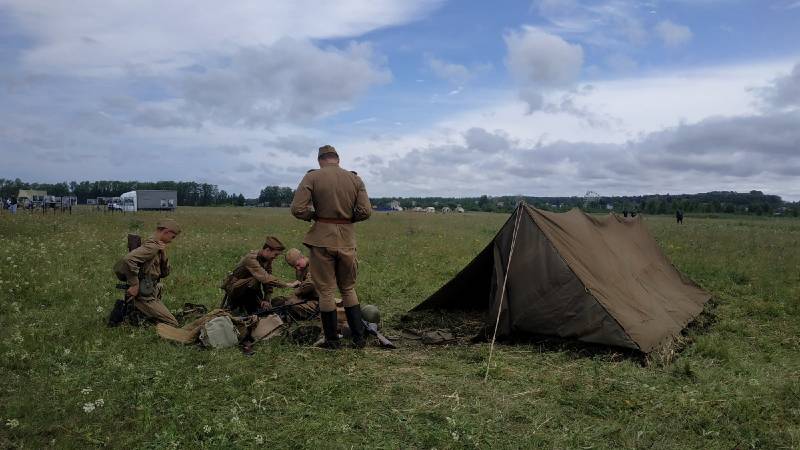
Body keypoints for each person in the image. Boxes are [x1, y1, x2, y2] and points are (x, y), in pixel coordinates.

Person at [290, 144, 372, 348]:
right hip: (347, 240)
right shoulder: (355, 179)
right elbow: (365, 211)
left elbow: (297, 209)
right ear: (337, 159)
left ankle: (332, 341)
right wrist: (347, 219)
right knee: (348, 288)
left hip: (321, 240)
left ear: (320, 160)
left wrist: (316, 216)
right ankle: (359, 338)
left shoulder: (312, 177)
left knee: (326, 291)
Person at [113, 219, 181, 326]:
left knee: (167, 320)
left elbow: (164, 273)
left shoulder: (157, 247)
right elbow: (128, 260)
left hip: (150, 292)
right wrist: (134, 284)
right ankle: (133, 320)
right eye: (172, 237)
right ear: (166, 232)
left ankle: (137, 317)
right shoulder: (152, 246)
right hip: (144, 296)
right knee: (172, 323)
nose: (171, 240)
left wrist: (163, 254)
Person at [220, 236, 299, 315]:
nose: (275, 257)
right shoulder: (251, 259)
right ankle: (243, 307)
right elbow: (265, 278)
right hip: (234, 289)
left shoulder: (267, 261)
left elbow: (268, 283)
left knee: (265, 307)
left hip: (251, 290)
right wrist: (287, 285)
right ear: (267, 250)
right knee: (255, 280)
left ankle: (253, 308)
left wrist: (266, 299)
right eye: (275, 254)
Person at [272, 248, 320, 320]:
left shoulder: (314, 265)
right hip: (305, 298)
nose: (297, 268)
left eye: (297, 265)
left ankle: (287, 315)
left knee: (290, 303)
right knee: (277, 300)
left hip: (317, 303)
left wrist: (297, 290)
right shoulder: (301, 269)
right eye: (294, 267)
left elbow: (310, 284)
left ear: (302, 257)